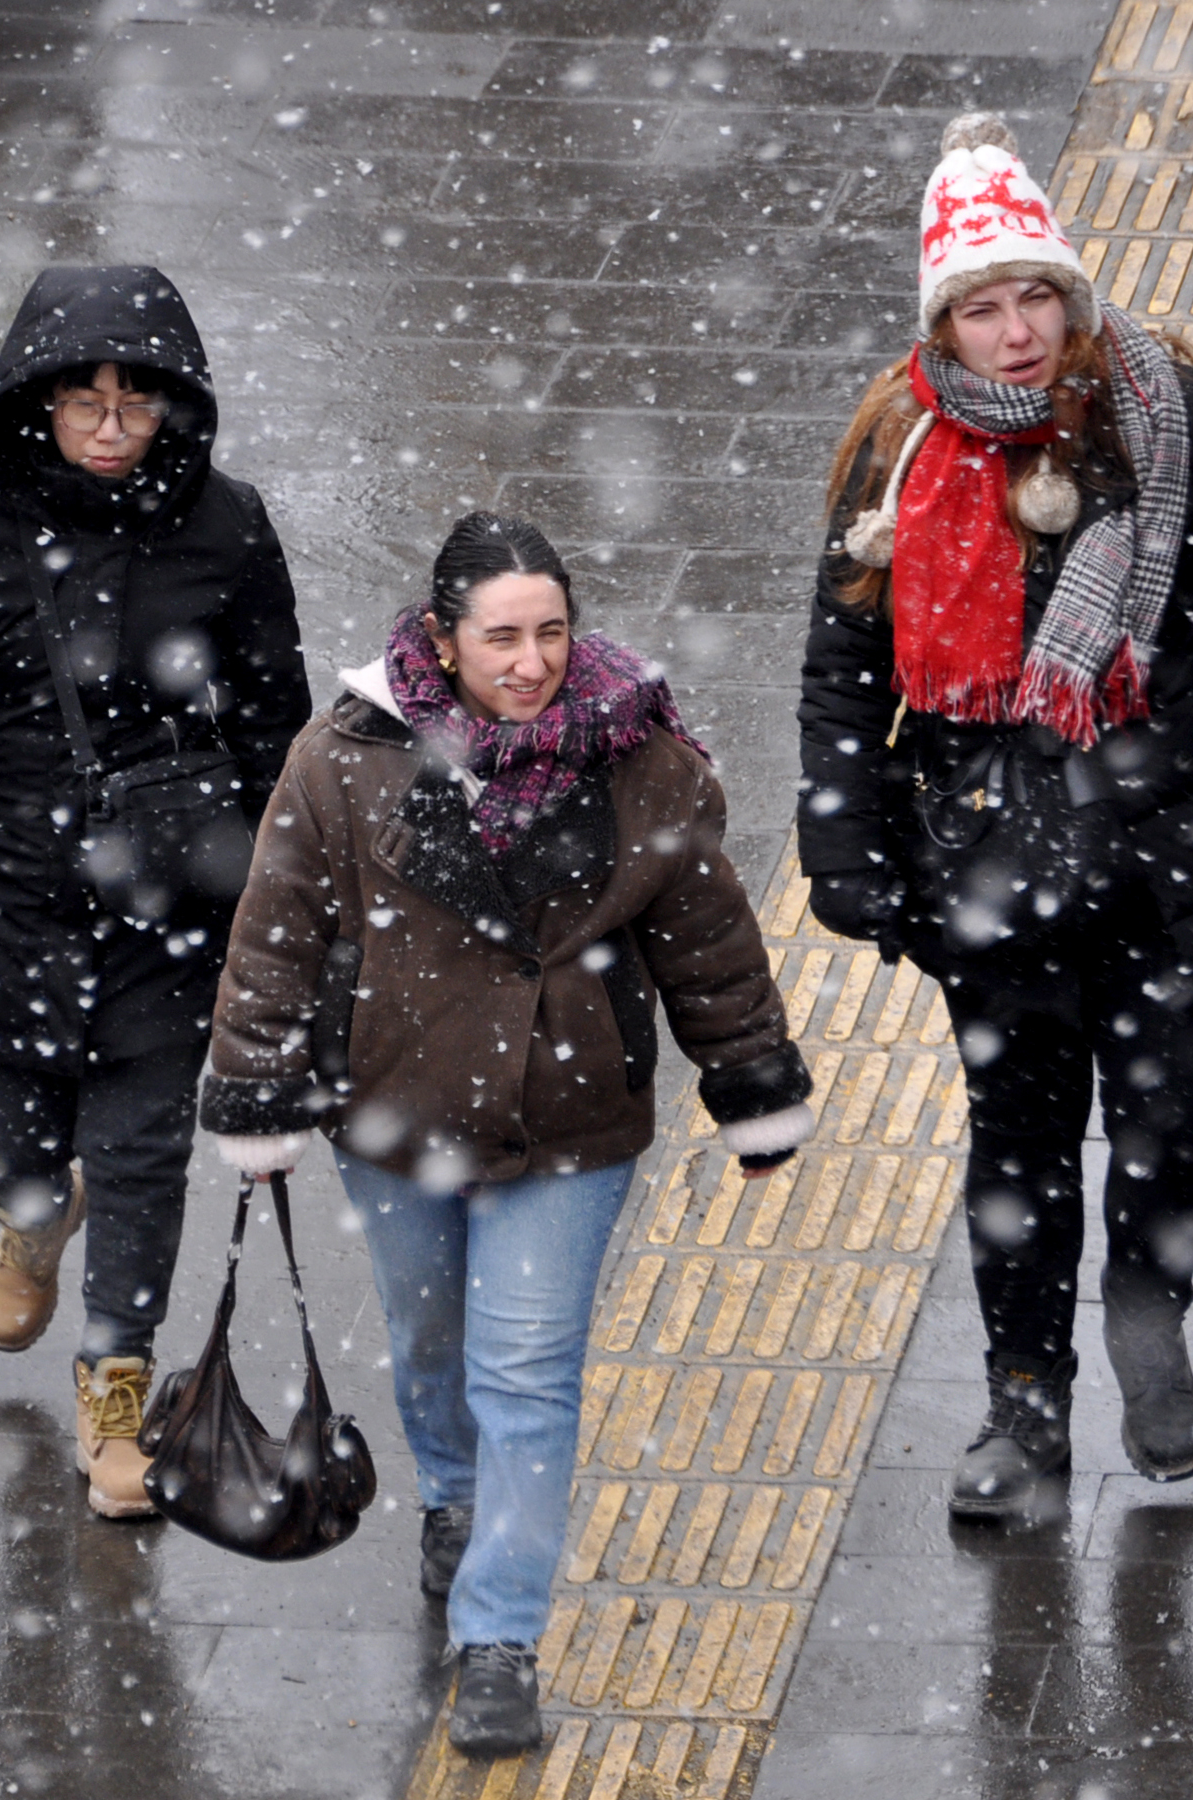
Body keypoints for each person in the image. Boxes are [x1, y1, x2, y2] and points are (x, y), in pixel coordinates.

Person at [201, 512, 814, 1758]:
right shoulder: (345, 756)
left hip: (568, 1120)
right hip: (398, 1112)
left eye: (550, 633)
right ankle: (452, 1495)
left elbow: (706, 939)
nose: (530, 662)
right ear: (443, 637)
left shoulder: (645, 762)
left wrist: (750, 1076)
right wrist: (256, 1089)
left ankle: (499, 1635)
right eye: (501, 637)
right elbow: (277, 927)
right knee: (432, 1346)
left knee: (525, 1374)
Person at [795, 114, 1193, 1519]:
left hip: (1182, 851)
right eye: (984, 305)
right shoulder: (897, 453)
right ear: (945, 322)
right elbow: (843, 662)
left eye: (1038, 297)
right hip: (990, 861)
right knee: (1016, 1142)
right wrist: (840, 838)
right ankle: (1023, 1411)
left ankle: (1149, 1311)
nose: (1018, 331)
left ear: (1073, 299)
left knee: (1176, 1114)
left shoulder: (1166, 417)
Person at [0, 266, 311, 1521]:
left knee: (146, 1153)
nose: (110, 430)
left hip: (173, 894)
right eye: (85, 403)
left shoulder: (227, 524)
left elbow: (275, 720)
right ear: (36, 401)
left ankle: (116, 1393)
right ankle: (30, 1221)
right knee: (6, 1134)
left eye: (135, 405)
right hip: (7, 886)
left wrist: (290, 889)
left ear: (174, 409)